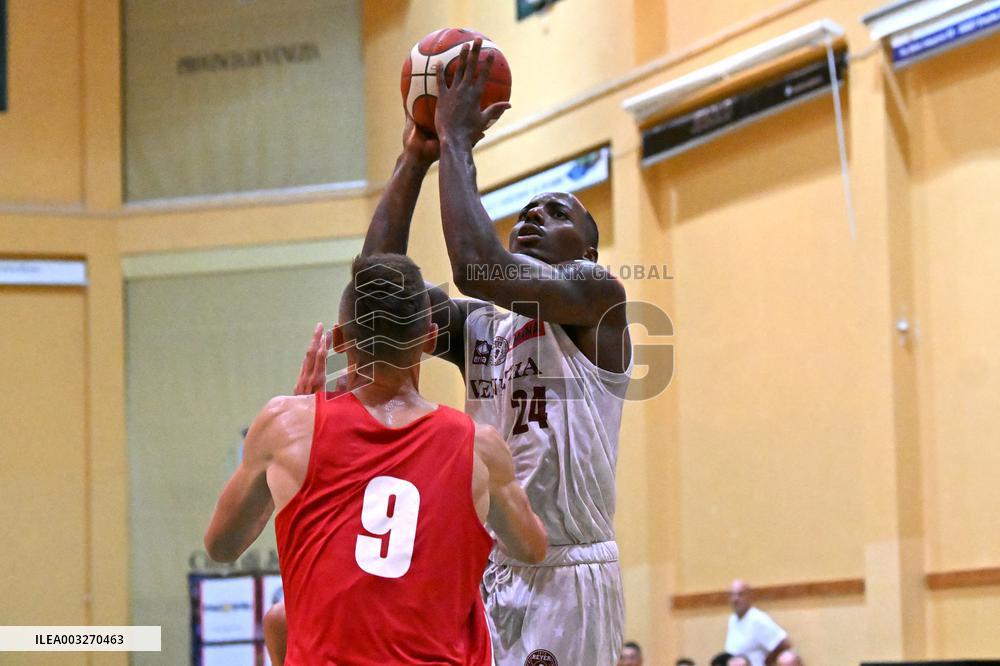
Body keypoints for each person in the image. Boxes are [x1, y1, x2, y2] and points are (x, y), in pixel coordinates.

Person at [295, 40, 631, 665]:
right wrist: (415, 159)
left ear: (587, 252)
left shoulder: (597, 296)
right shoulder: (482, 327)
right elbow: (377, 288)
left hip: (569, 578)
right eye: (524, 212)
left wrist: (456, 139)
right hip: (490, 567)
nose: (532, 218)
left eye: (556, 213)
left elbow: (477, 266)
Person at [205, 253, 547, 665]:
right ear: (431, 339)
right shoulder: (481, 447)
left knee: (280, 621)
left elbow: (221, 546)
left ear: (340, 339)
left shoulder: (285, 425)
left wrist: (294, 429)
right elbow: (532, 549)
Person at [724, 580, 794, 666]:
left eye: (740, 594)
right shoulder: (733, 619)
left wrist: (767, 662)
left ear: (749, 597)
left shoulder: (757, 619)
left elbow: (784, 643)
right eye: (732, 595)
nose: (735, 599)